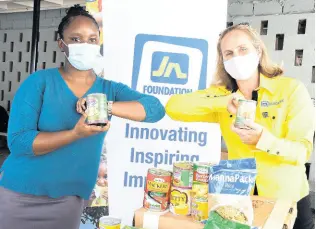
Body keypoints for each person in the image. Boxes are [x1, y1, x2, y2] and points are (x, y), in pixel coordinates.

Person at [0, 5, 165, 229]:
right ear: (62, 44)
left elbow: (155, 109)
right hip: (20, 195)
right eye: (76, 39)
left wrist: (105, 105)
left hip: (69, 199)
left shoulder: (109, 89)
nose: (84, 45)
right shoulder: (39, 82)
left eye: (92, 39)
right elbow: (19, 142)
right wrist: (75, 134)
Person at [165, 24, 314, 229]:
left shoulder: (291, 90)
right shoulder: (222, 95)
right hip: (239, 203)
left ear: (258, 51)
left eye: (243, 49)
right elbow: (173, 107)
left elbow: (302, 151)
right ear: (223, 61)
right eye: (229, 53)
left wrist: (262, 139)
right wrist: (223, 102)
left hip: (287, 202)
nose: (236, 57)